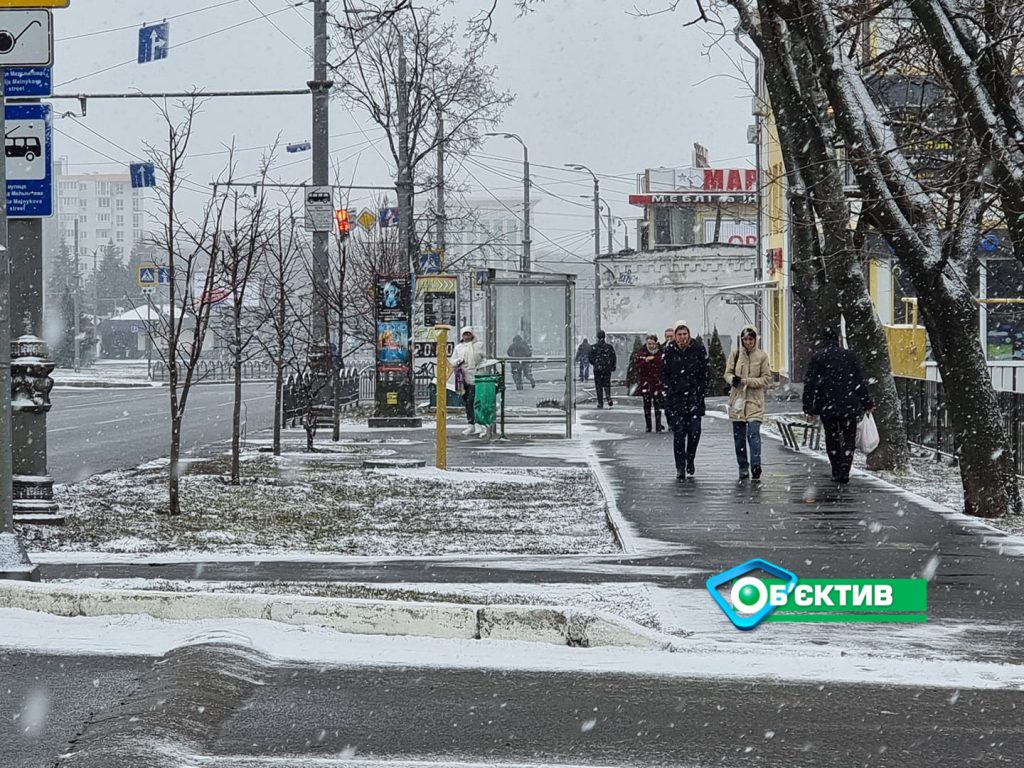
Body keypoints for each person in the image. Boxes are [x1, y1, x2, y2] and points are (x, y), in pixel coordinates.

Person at [802, 327, 874, 484]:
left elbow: (810, 384)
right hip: (849, 405)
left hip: (828, 406)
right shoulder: (849, 356)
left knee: (831, 437)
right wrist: (866, 402)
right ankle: (845, 469)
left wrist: (808, 406)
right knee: (849, 437)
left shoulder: (818, 358)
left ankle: (836, 469)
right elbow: (858, 382)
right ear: (838, 339)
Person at [725, 325, 773, 480]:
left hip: (754, 400)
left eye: (750, 339)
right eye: (745, 339)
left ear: (755, 339)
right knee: (739, 436)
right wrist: (733, 380)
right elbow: (727, 373)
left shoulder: (762, 356)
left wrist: (746, 381)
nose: (748, 342)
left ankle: (756, 464)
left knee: (753, 433)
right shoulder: (735, 354)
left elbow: (766, 379)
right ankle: (743, 466)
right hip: (738, 400)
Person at [662, 321, 708, 479]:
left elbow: (704, 372)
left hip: (694, 398)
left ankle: (690, 459)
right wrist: (669, 391)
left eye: (685, 334)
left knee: (695, 432)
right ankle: (680, 466)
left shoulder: (697, 349)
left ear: (689, 335)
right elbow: (664, 374)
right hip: (677, 400)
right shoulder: (669, 352)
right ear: (675, 336)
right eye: (679, 334)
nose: (682, 337)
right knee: (679, 434)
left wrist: (701, 390)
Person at [450, 326, 487, 437]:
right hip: (462, 378)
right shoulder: (458, 348)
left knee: (473, 400)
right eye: (464, 334)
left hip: (476, 377)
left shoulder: (479, 346)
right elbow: (452, 360)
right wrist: (458, 361)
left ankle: (477, 423)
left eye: (468, 334)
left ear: (472, 335)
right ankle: (471, 423)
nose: (466, 336)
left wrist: (481, 366)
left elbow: (485, 358)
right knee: (466, 401)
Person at [635, 334, 665, 432]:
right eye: (649, 343)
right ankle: (648, 425)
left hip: (657, 382)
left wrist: (654, 359)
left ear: (656, 343)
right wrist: (645, 361)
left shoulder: (660, 352)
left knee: (658, 405)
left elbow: (662, 364)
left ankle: (658, 424)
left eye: (652, 343)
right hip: (646, 382)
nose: (651, 345)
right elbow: (637, 365)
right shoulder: (642, 352)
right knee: (646, 405)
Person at [588, 330, 617, 408]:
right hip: (607, 369)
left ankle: (600, 402)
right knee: (607, 384)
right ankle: (608, 397)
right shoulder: (609, 347)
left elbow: (590, 358)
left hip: (598, 369)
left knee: (599, 386)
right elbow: (613, 357)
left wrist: (596, 363)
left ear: (597, 337)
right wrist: (612, 366)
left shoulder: (594, 347)